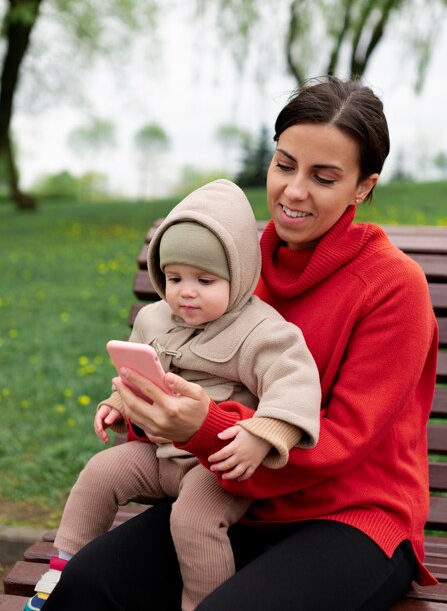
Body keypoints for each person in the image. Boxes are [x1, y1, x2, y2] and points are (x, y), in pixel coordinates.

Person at [40, 76, 438, 611]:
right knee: (88, 586)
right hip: (230, 498)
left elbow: (340, 442)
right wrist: (142, 406)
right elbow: (185, 374)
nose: (294, 191)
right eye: (284, 164)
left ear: (363, 186)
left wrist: (203, 426)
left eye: (323, 177)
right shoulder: (229, 272)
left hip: (349, 517)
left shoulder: (392, 286)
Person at [24, 179, 321, 611]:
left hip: (218, 465)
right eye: (174, 276)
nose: (185, 291)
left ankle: (202, 603)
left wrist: (262, 433)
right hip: (160, 455)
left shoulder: (264, 332)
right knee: (99, 473)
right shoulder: (155, 319)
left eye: (204, 279)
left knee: (194, 519)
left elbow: (293, 384)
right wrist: (119, 404)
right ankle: (62, 568)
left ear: (238, 276)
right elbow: (141, 376)